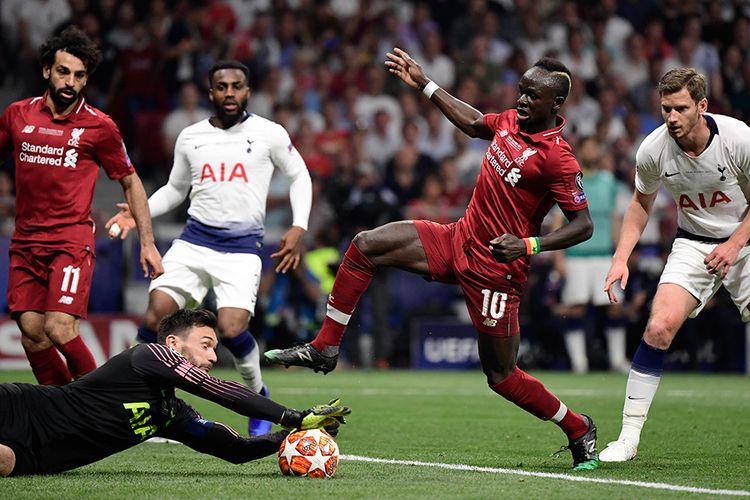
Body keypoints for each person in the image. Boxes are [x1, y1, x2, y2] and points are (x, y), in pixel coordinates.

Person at [266, 47, 599, 470]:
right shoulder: (511, 122)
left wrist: (529, 244)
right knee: (366, 244)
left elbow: (583, 224)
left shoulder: (558, 158)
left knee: (501, 376)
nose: (522, 100)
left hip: (497, 270)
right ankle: (325, 347)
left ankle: (576, 427)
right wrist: (424, 83)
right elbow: (475, 123)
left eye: (533, 96)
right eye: (521, 90)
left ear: (556, 104)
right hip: (457, 239)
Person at [108, 59, 312, 437]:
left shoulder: (268, 133)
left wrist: (299, 226)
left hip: (240, 249)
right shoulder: (191, 136)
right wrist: (139, 212)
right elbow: (174, 189)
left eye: (237, 86)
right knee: (155, 317)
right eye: (222, 87)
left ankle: (257, 396)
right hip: (194, 242)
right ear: (211, 93)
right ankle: (149, 396)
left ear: (248, 92)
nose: (230, 92)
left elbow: (299, 174)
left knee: (232, 329)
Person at [600, 67, 750, 462]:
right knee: (659, 325)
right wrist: (620, 259)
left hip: (745, 239)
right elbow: (640, 204)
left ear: (702, 106)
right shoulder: (653, 150)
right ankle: (628, 439)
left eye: (680, 108)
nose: (671, 117)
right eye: (665, 108)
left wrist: (735, 245)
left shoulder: (738, 139)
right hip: (694, 244)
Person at [0, 309, 350, 477]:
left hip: (37, 458)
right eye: (206, 345)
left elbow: (235, 449)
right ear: (173, 344)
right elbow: (217, 389)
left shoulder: (169, 413)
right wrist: (293, 415)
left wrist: (292, 434)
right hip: (19, 408)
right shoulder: (148, 355)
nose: (213, 356)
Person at [0, 26, 163, 387]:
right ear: (47, 71)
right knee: (31, 331)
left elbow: (131, 180)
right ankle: (61, 411)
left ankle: (104, 403)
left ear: (86, 79)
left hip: (70, 241)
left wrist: (148, 242)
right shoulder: (16, 116)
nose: (70, 81)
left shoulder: (100, 127)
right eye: (63, 72)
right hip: (25, 241)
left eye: (79, 75)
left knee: (58, 326)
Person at [553, 137, 630, 374]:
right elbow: (558, 220)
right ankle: (579, 363)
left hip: (603, 255)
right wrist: (558, 257)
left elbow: (615, 219)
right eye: (587, 147)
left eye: (594, 146)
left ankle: (617, 360)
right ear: (580, 152)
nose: (591, 150)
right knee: (575, 307)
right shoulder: (569, 181)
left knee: (614, 306)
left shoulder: (609, 183)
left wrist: (621, 255)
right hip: (576, 254)